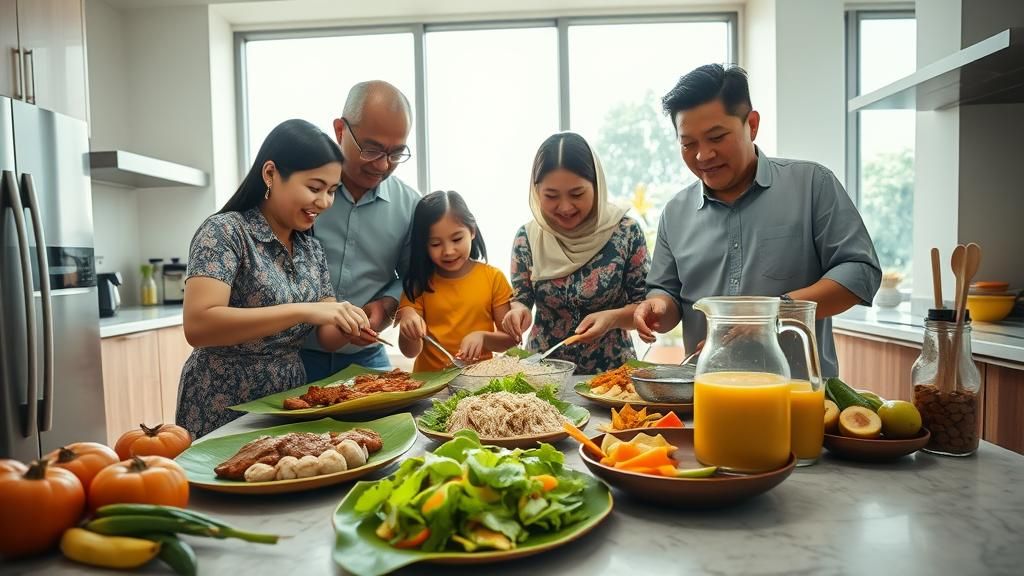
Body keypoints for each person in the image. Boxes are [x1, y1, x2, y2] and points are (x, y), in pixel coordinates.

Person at [634, 64, 881, 377]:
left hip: (796, 392)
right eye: (688, 144)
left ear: (751, 124)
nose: (703, 156)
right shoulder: (675, 212)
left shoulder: (812, 184)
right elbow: (666, 297)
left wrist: (771, 313)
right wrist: (657, 307)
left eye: (716, 137)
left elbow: (860, 273)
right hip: (708, 393)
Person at [178, 119, 371, 437]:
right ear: (270, 174)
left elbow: (326, 334)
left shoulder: (311, 248)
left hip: (287, 398)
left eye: (332, 191)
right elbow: (199, 326)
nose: (324, 202)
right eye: (314, 188)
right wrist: (304, 310)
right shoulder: (225, 231)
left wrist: (350, 326)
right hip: (221, 398)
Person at [300, 80, 421, 381]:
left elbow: (412, 277)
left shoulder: (411, 206)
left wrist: (386, 306)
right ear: (340, 131)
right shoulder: (299, 194)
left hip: (366, 358)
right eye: (372, 149)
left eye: (396, 153)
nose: (382, 165)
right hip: (291, 357)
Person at [501, 132, 651, 374]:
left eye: (577, 194)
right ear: (536, 191)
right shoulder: (527, 237)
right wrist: (519, 312)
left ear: (597, 186)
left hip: (611, 376)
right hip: (543, 375)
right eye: (551, 196)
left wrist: (611, 318)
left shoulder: (625, 232)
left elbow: (645, 307)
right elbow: (522, 297)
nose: (565, 207)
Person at [396, 191, 518, 372]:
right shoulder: (419, 284)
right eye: (435, 244)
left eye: (456, 239)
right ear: (423, 245)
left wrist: (483, 337)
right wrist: (409, 330)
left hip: (478, 386)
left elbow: (510, 341)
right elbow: (410, 352)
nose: (448, 251)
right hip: (429, 388)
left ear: (472, 231)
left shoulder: (493, 278)